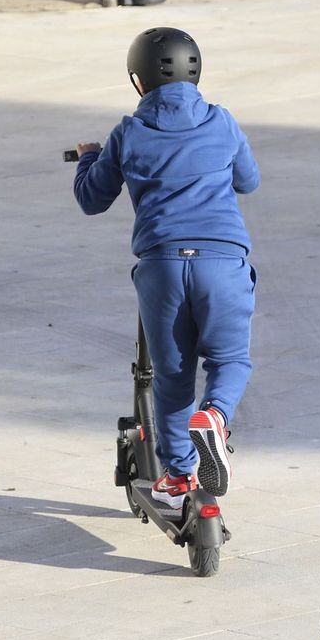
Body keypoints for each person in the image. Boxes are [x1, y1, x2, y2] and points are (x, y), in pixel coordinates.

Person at [73, 27, 259, 508]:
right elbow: (249, 181)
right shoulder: (222, 121)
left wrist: (89, 158)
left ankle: (178, 477)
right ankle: (214, 416)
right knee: (230, 360)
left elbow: (92, 199)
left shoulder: (128, 133)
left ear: (138, 81)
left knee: (173, 377)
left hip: (162, 267)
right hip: (222, 262)